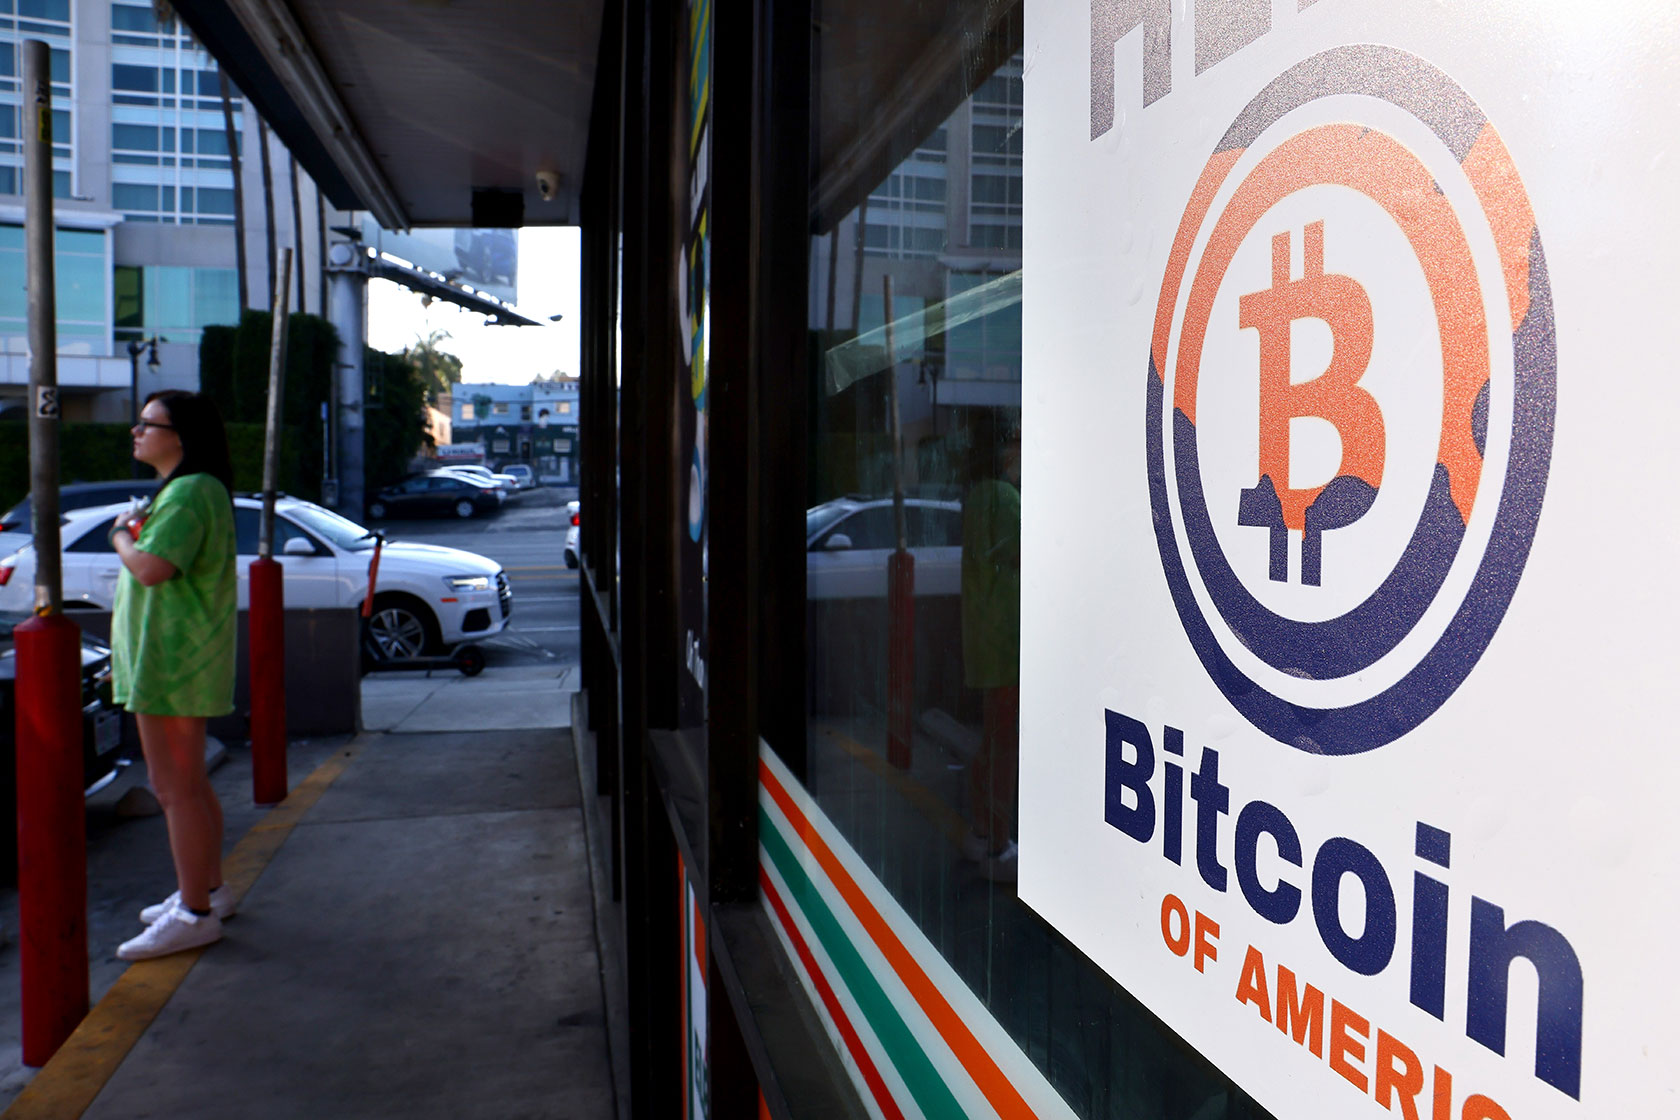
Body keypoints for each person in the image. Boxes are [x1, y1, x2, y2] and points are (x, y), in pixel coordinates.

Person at [110, 391, 239, 961]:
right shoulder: (193, 490)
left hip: (170, 660)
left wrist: (120, 534)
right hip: (181, 656)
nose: (136, 432)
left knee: (173, 789)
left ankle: (194, 913)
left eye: (147, 423)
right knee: (189, 786)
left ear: (180, 435)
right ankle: (207, 890)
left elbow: (151, 568)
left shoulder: (187, 493)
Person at [959, 418, 1021, 882]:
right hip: (1006, 639)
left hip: (981, 635)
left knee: (990, 737)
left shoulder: (977, 496)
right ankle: (1000, 844)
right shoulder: (1004, 498)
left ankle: (981, 830)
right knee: (1005, 742)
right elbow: (1030, 550)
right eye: (1016, 441)